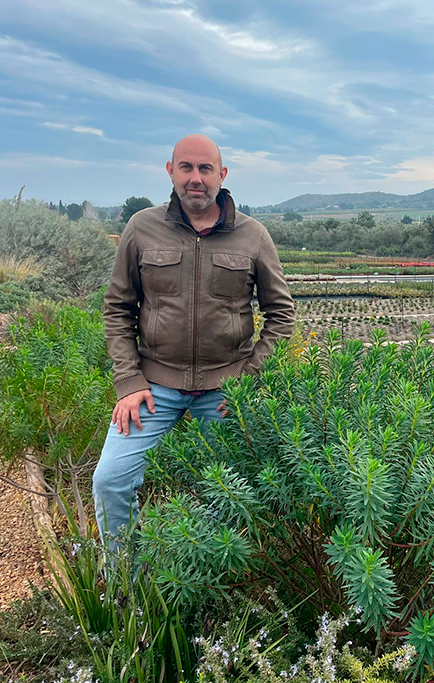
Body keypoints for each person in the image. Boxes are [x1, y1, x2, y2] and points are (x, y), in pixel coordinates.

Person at [92, 134, 294, 544]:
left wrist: (249, 379)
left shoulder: (254, 236)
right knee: (110, 480)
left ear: (222, 175)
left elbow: (281, 314)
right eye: (186, 167)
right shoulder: (141, 228)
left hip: (225, 389)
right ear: (171, 171)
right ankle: (127, 584)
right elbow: (118, 308)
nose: (196, 178)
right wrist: (128, 383)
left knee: (235, 491)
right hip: (153, 388)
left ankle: (204, 582)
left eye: (205, 169)